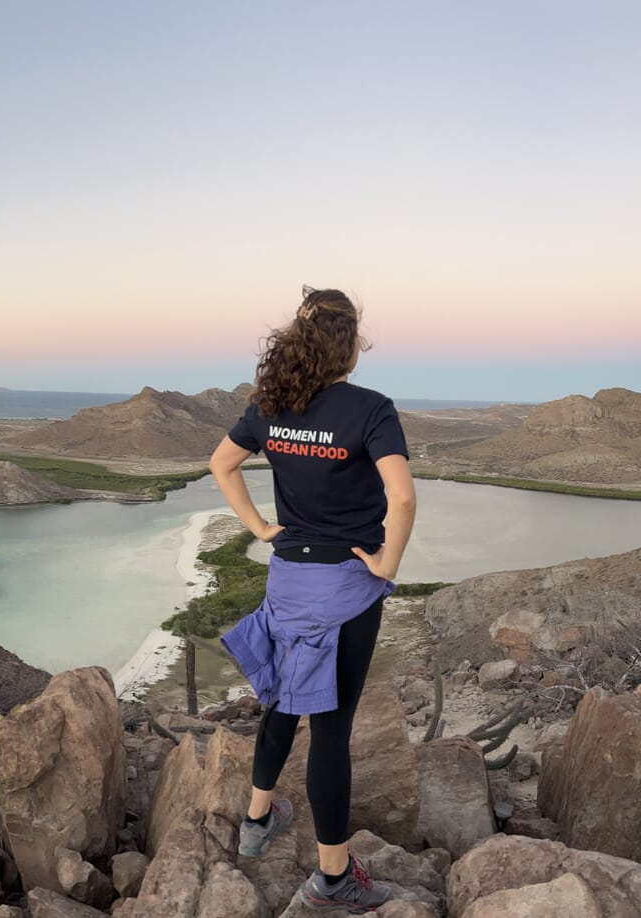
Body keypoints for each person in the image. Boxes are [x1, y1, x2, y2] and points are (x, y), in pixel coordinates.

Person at [211, 287, 416, 913]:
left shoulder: (271, 405)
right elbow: (403, 497)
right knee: (330, 728)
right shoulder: (370, 409)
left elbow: (222, 464)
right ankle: (332, 878)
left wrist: (259, 528)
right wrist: (387, 564)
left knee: (280, 693)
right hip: (346, 588)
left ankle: (257, 819)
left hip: (288, 578)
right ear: (349, 344)